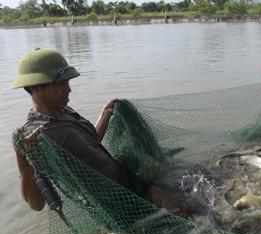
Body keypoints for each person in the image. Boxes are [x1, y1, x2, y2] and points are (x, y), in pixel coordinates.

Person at [12, 48, 191, 217]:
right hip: (117, 201)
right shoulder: (38, 136)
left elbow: (88, 149)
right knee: (186, 211)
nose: (68, 89)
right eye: (60, 84)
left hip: (128, 181)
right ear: (35, 87)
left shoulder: (65, 111)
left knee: (193, 181)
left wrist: (104, 116)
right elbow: (36, 204)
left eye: (68, 82)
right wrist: (23, 159)